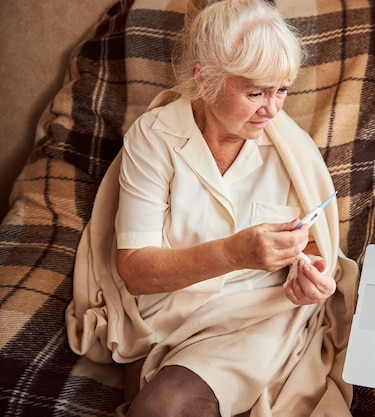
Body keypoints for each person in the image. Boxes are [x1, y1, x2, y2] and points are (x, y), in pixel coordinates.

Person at [65, 1, 359, 416]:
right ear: (204, 79)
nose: (271, 110)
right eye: (255, 93)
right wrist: (233, 253)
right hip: (166, 316)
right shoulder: (154, 138)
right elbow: (135, 270)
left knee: (166, 405)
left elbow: (312, 247)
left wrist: (308, 277)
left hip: (256, 316)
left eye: (282, 91)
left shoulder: (291, 149)